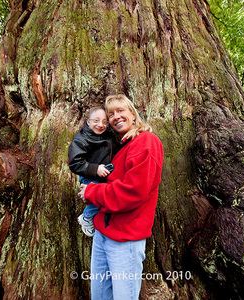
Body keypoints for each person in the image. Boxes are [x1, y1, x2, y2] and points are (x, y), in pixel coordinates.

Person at [78, 94, 164, 300]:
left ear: (133, 114)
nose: (116, 117)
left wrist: (90, 192)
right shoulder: (122, 147)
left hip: (125, 239)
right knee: (99, 296)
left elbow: (132, 192)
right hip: (103, 233)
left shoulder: (147, 142)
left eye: (120, 111)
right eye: (111, 114)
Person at [68, 107, 117, 237]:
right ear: (88, 122)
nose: (100, 125)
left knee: (109, 195)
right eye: (96, 120)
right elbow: (75, 163)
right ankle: (86, 217)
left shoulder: (108, 135)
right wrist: (95, 169)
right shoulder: (81, 139)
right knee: (100, 198)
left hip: (105, 173)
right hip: (90, 175)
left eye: (105, 122)